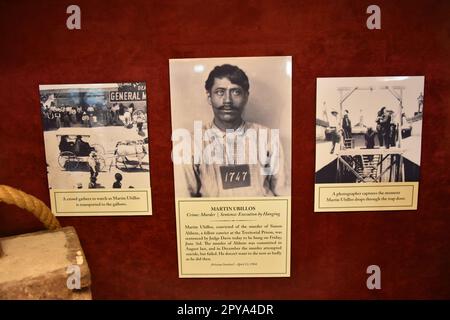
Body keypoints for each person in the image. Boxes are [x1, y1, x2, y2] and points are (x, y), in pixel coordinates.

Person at [180, 64, 287, 197]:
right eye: (220, 92)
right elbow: (185, 198)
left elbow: (283, 194)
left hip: (260, 216)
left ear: (246, 97)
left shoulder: (268, 138)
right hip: (213, 217)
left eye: (236, 92)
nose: (228, 100)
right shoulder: (191, 143)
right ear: (209, 97)